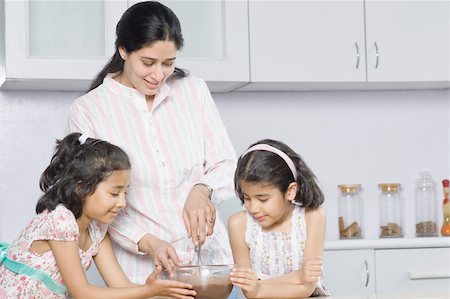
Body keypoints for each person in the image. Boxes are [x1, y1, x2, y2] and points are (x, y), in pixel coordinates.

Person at [66, 1, 237, 284]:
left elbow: (227, 163)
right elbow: (93, 201)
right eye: (148, 62)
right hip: (142, 275)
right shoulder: (89, 110)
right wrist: (147, 241)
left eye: (168, 63)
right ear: (123, 50)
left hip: (212, 265)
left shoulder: (193, 90)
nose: (158, 75)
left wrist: (202, 189)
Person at [0, 133, 196, 299]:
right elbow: (82, 293)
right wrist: (148, 290)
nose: (122, 203)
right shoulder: (61, 221)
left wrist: (166, 291)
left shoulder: (97, 230)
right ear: (81, 187)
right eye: (114, 193)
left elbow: (120, 286)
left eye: (125, 193)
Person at [228, 139, 330, 298]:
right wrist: (298, 276)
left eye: (262, 199)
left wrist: (259, 288)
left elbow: (307, 287)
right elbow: (248, 291)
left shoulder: (313, 217)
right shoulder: (239, 224)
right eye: (246, 198)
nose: (253, 209)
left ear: (290, 191)